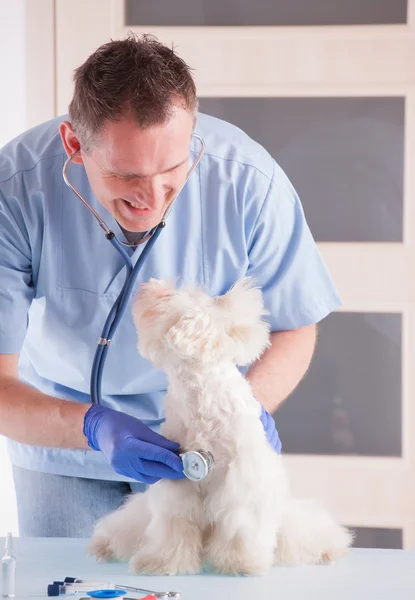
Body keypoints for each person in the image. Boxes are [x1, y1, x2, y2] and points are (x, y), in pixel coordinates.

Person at [0, 34, 341, 537]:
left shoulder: (248, 181)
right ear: (74, 144)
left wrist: (244, 410)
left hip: (204, 441)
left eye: (172, 169)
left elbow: (295, 326)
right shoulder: (16, 189)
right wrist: (94, 427)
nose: (154, 197)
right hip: (60, 435)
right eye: (127, 175)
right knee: (70, 584)